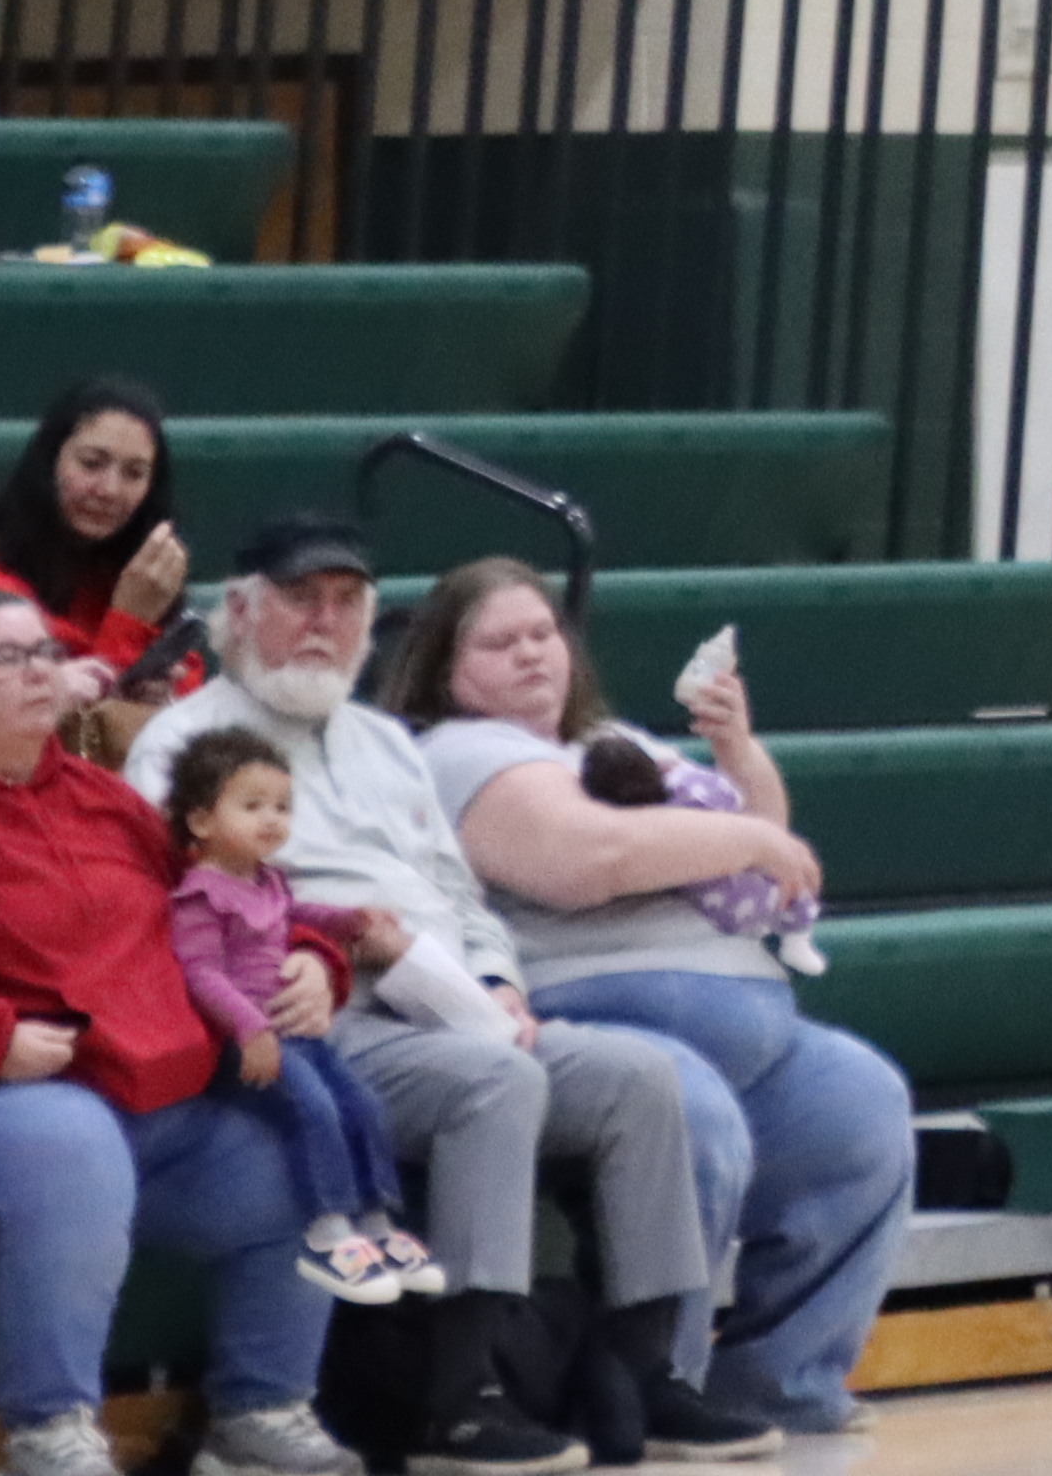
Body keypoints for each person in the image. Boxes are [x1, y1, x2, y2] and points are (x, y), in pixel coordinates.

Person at [131, 518, 674, 1476]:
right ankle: (459, 1404)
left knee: (639, 1078)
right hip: (318, 1023)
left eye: (345, 604)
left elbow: (462, 898)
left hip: (452, 1002)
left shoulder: (385, 740)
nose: (323, 624)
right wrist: (310, 952)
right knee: (490, 1085)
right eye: (301, 600)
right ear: (242, 613)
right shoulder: (184, 744)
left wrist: (500, 981)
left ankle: (648, 1374)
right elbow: (174, 914)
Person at [0, 584, 353, 1476]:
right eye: (5, 659)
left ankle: (260, 1411)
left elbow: (233, 893)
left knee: (292, 1145)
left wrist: (318, 957)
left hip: (144, 1094)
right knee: (72, 1140)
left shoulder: (102, 799)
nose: (37, 673)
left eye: (47, 654)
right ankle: (51, 1432)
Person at [391, 567, 910, 1451]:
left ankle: (784, 1384)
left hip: (756, 1025)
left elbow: (765, 856)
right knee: (689, 1109)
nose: (530, 653)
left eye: (542, 632)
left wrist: (742, 761)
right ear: (447, 671)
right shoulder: (459, 752)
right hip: (583, 1026)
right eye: (498, 641)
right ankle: (657, 1389)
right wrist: (745, 837)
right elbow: (580, 856)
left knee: (863, 1107)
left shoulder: (612, 739)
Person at [150, 723, 442, 1305]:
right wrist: (249, 1026)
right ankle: (327, 1230)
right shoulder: (200, 897)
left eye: (282, 806)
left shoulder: (268, 881)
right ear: (202, 821)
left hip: (293, 1032)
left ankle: (377, 1221)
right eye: (251, 805)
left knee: (359, 1103)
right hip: (248, 1042)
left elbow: (295, 910)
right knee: (311, 1111)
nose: (272, 819)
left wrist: (347, 920)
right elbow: (199, 973)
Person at [0, 386, 208, 763]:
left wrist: (159, 695)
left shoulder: (139, 574)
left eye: (134, 473)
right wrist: (129, 621)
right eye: (91, 464)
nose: (109, 490)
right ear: (49, 461)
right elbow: (47, 731)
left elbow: (189, 699)